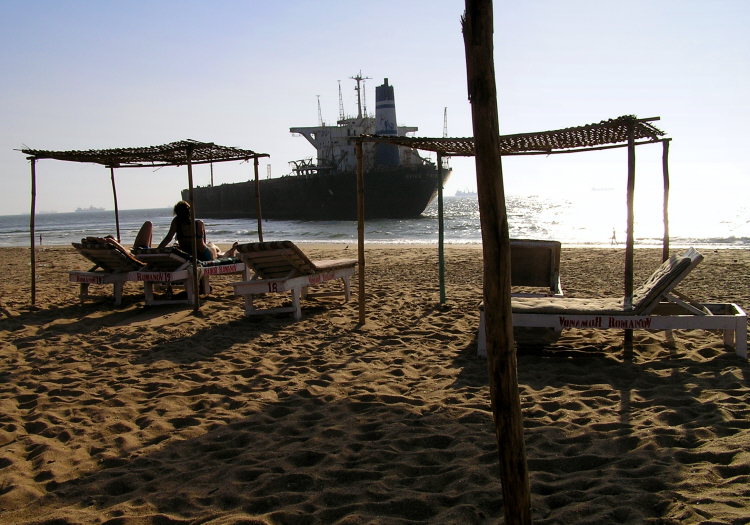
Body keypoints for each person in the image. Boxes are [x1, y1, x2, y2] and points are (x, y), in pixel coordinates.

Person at [158, 201, 238, 261]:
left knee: (215, 250)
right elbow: (203, 242)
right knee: (212, 246)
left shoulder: (176, 222)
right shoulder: (198, 224)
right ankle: (229, 252)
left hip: (189, 254)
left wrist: (158, 250)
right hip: (203, 255)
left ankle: (229, 252)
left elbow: (168, 238)